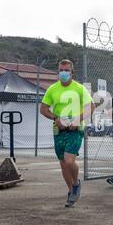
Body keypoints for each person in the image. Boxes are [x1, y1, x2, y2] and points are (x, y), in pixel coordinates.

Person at [41, 59, 95, 208]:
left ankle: (76, 183)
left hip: (75, 130)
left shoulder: (79, 88)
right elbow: (43, 109)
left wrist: (78, 119)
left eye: (67, 70)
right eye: (61, 70)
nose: (63, 73)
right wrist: (55, 118)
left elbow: (91, 107)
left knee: (69, 160)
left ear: (72, 72)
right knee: (63, 163)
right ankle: (71, 191)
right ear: (58, 72)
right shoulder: (52, 89)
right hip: (59, 130)